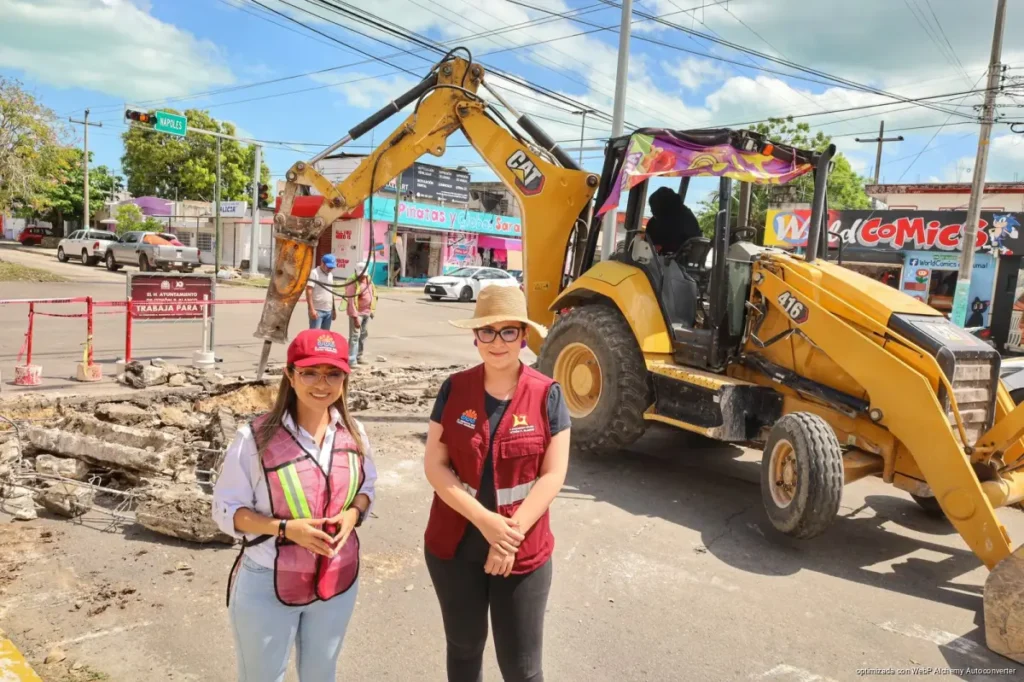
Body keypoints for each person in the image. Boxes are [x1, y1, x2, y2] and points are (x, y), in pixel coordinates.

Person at [423, 286, 572, 682]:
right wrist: (486, 523)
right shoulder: (454, 389)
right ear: (476, 337)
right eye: (488, 331)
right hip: (454, 549)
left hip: (522, 551)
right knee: (464, 649)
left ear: (523, 336)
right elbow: (435, 465)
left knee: (522, 668)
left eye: (509, 331)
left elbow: (553, 475)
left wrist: (508, 536)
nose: (498, 342)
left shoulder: (547, 395)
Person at [212, 328, 377, 682]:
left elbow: (368, 486)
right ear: (290, 374)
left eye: (333, 373)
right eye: (310, 372)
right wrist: (286, 529)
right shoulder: (255, 438)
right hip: (267, 580)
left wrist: (354, 513)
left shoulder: (354, 432)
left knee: (321, 675)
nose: (323, 384)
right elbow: (226, 511)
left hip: (336, 580)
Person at [644, 186, 702, 255]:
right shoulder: (688, 216)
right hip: (686, 261)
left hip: (670, 261)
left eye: (653, 207)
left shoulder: (658, 222)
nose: (651, 211)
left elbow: (650, 247)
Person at [345, 261, 377, 367]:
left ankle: (359, 356)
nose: (362, 277)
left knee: (363, 335)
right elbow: (351, 301)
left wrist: (372, 310)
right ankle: (351, 360)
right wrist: (355, 318)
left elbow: (372, 294)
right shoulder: (352, 282)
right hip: (357, 314)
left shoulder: (368, 280)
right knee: (354, 336)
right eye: (360, 275)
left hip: (366, 313)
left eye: (364, 275)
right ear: (355, 272)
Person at [306, 254, 337, 330]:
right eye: (329, 267)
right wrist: (311, 309)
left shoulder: (330, 275)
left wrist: (333, 309)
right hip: (317, 310)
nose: (330, 269)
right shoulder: (314, 273)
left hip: (328, 311)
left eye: (332, 267)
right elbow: (309, 291)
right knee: (315, 336)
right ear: (322, 263)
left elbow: (331, 292)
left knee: (324, 338)